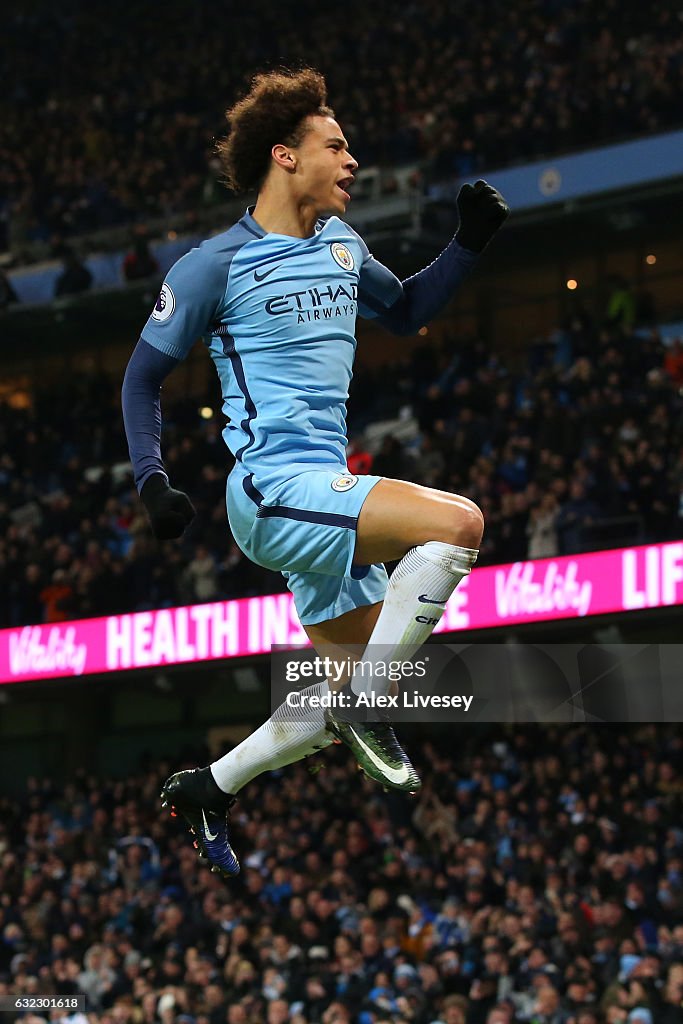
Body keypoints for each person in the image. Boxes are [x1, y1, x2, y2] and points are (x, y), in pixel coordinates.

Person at [122, 68, 508, 878]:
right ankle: (371, 706)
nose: (353, 160)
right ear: (284, 157)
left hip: (319, 502)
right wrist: (151, 479)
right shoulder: (212, 266)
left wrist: (465, 244)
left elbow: (402, 310)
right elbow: (141, 380)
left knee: (341, 697)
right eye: (336, 146)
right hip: (271, 492)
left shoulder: (343, 246)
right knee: (459, 523)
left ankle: (210, 785)